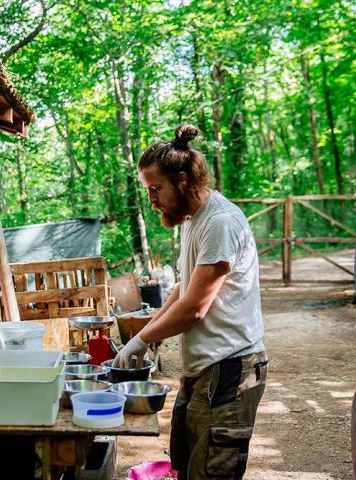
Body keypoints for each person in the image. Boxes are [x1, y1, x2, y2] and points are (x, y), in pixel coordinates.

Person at [112, 124, 268, 479]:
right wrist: (150, 331)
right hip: (202, 370)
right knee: (183, 467)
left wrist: (143, 339)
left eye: (156, 189)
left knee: (209, 472)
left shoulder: (220, 222)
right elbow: (184, 288)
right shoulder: (193, 219)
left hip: (229, 369)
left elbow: (196, 307)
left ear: (182, 179)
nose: (151, 199)